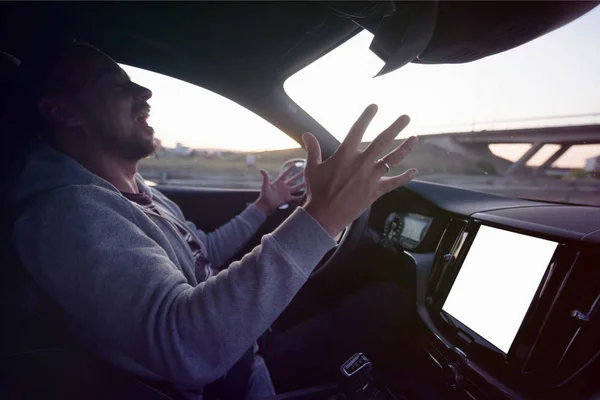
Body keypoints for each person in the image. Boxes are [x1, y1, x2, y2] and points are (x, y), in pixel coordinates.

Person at [8, 42, 419, 399]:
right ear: (63, 113)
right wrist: (320, 218)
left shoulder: (141, 193)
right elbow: (186, 345)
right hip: (219, 386)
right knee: (386, 304)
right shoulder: (66, 214)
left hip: (241, 357)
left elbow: (201, 251)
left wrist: (262, 207)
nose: (145, 93)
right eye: (119, 86)